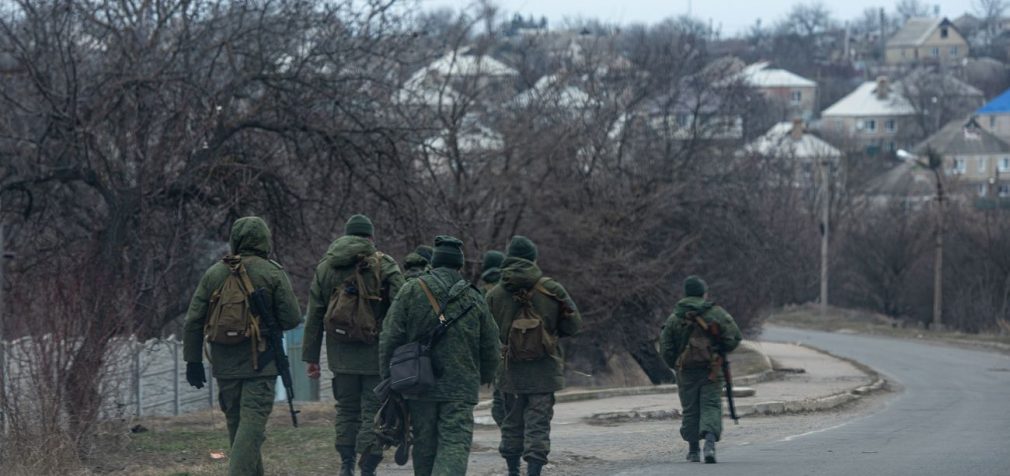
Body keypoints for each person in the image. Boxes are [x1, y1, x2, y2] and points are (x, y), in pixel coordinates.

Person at [183, 216, 303, 476]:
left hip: (225, 367)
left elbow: (193, 321)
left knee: (240, 432)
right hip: (262, 364)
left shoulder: (215, 273)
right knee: (251, 430)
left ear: (235, 240)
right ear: (264, 240)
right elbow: (292, 318)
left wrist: (192, 361)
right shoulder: (272, 272)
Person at [379, 235, 500, 476]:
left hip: (418, 383)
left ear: (434, 262)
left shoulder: (411, 290)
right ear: (459, 265)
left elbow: (390, 336)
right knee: (454, 443)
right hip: (461, 387)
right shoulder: (474, 297)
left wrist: (389, 377)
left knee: (424, 443)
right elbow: (491, 344)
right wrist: (485, 375)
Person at [302, 214, 404, 476]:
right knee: (373, 410)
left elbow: (314, 314)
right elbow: (403, 306)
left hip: (340, 356)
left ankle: (346, 464)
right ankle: (368, 465)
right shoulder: (385, 264)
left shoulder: (326, 267)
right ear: (370, 237)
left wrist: (311, 358)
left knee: (346, 410)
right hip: (375, 355)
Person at [487, 236, 582, 476]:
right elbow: (573, 325)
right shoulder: (552, 289)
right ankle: (534, 472)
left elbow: (486, 333)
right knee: (538, 424)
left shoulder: (495, 293)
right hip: (544, 370)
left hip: (510, 372)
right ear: (533, 258)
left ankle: (512, 471)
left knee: (511, 423)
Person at [659, 276, 742, 464]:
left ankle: (694, 450)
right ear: (703, 292)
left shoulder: (675, 317)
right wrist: (721, 351)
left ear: (686, 293)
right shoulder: (716, 313)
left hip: (686, 371)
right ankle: (710, 444)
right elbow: (735, 337)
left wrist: (677, 364)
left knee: (690, 409)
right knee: (711, 405)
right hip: (711, 369)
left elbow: (666, 347)